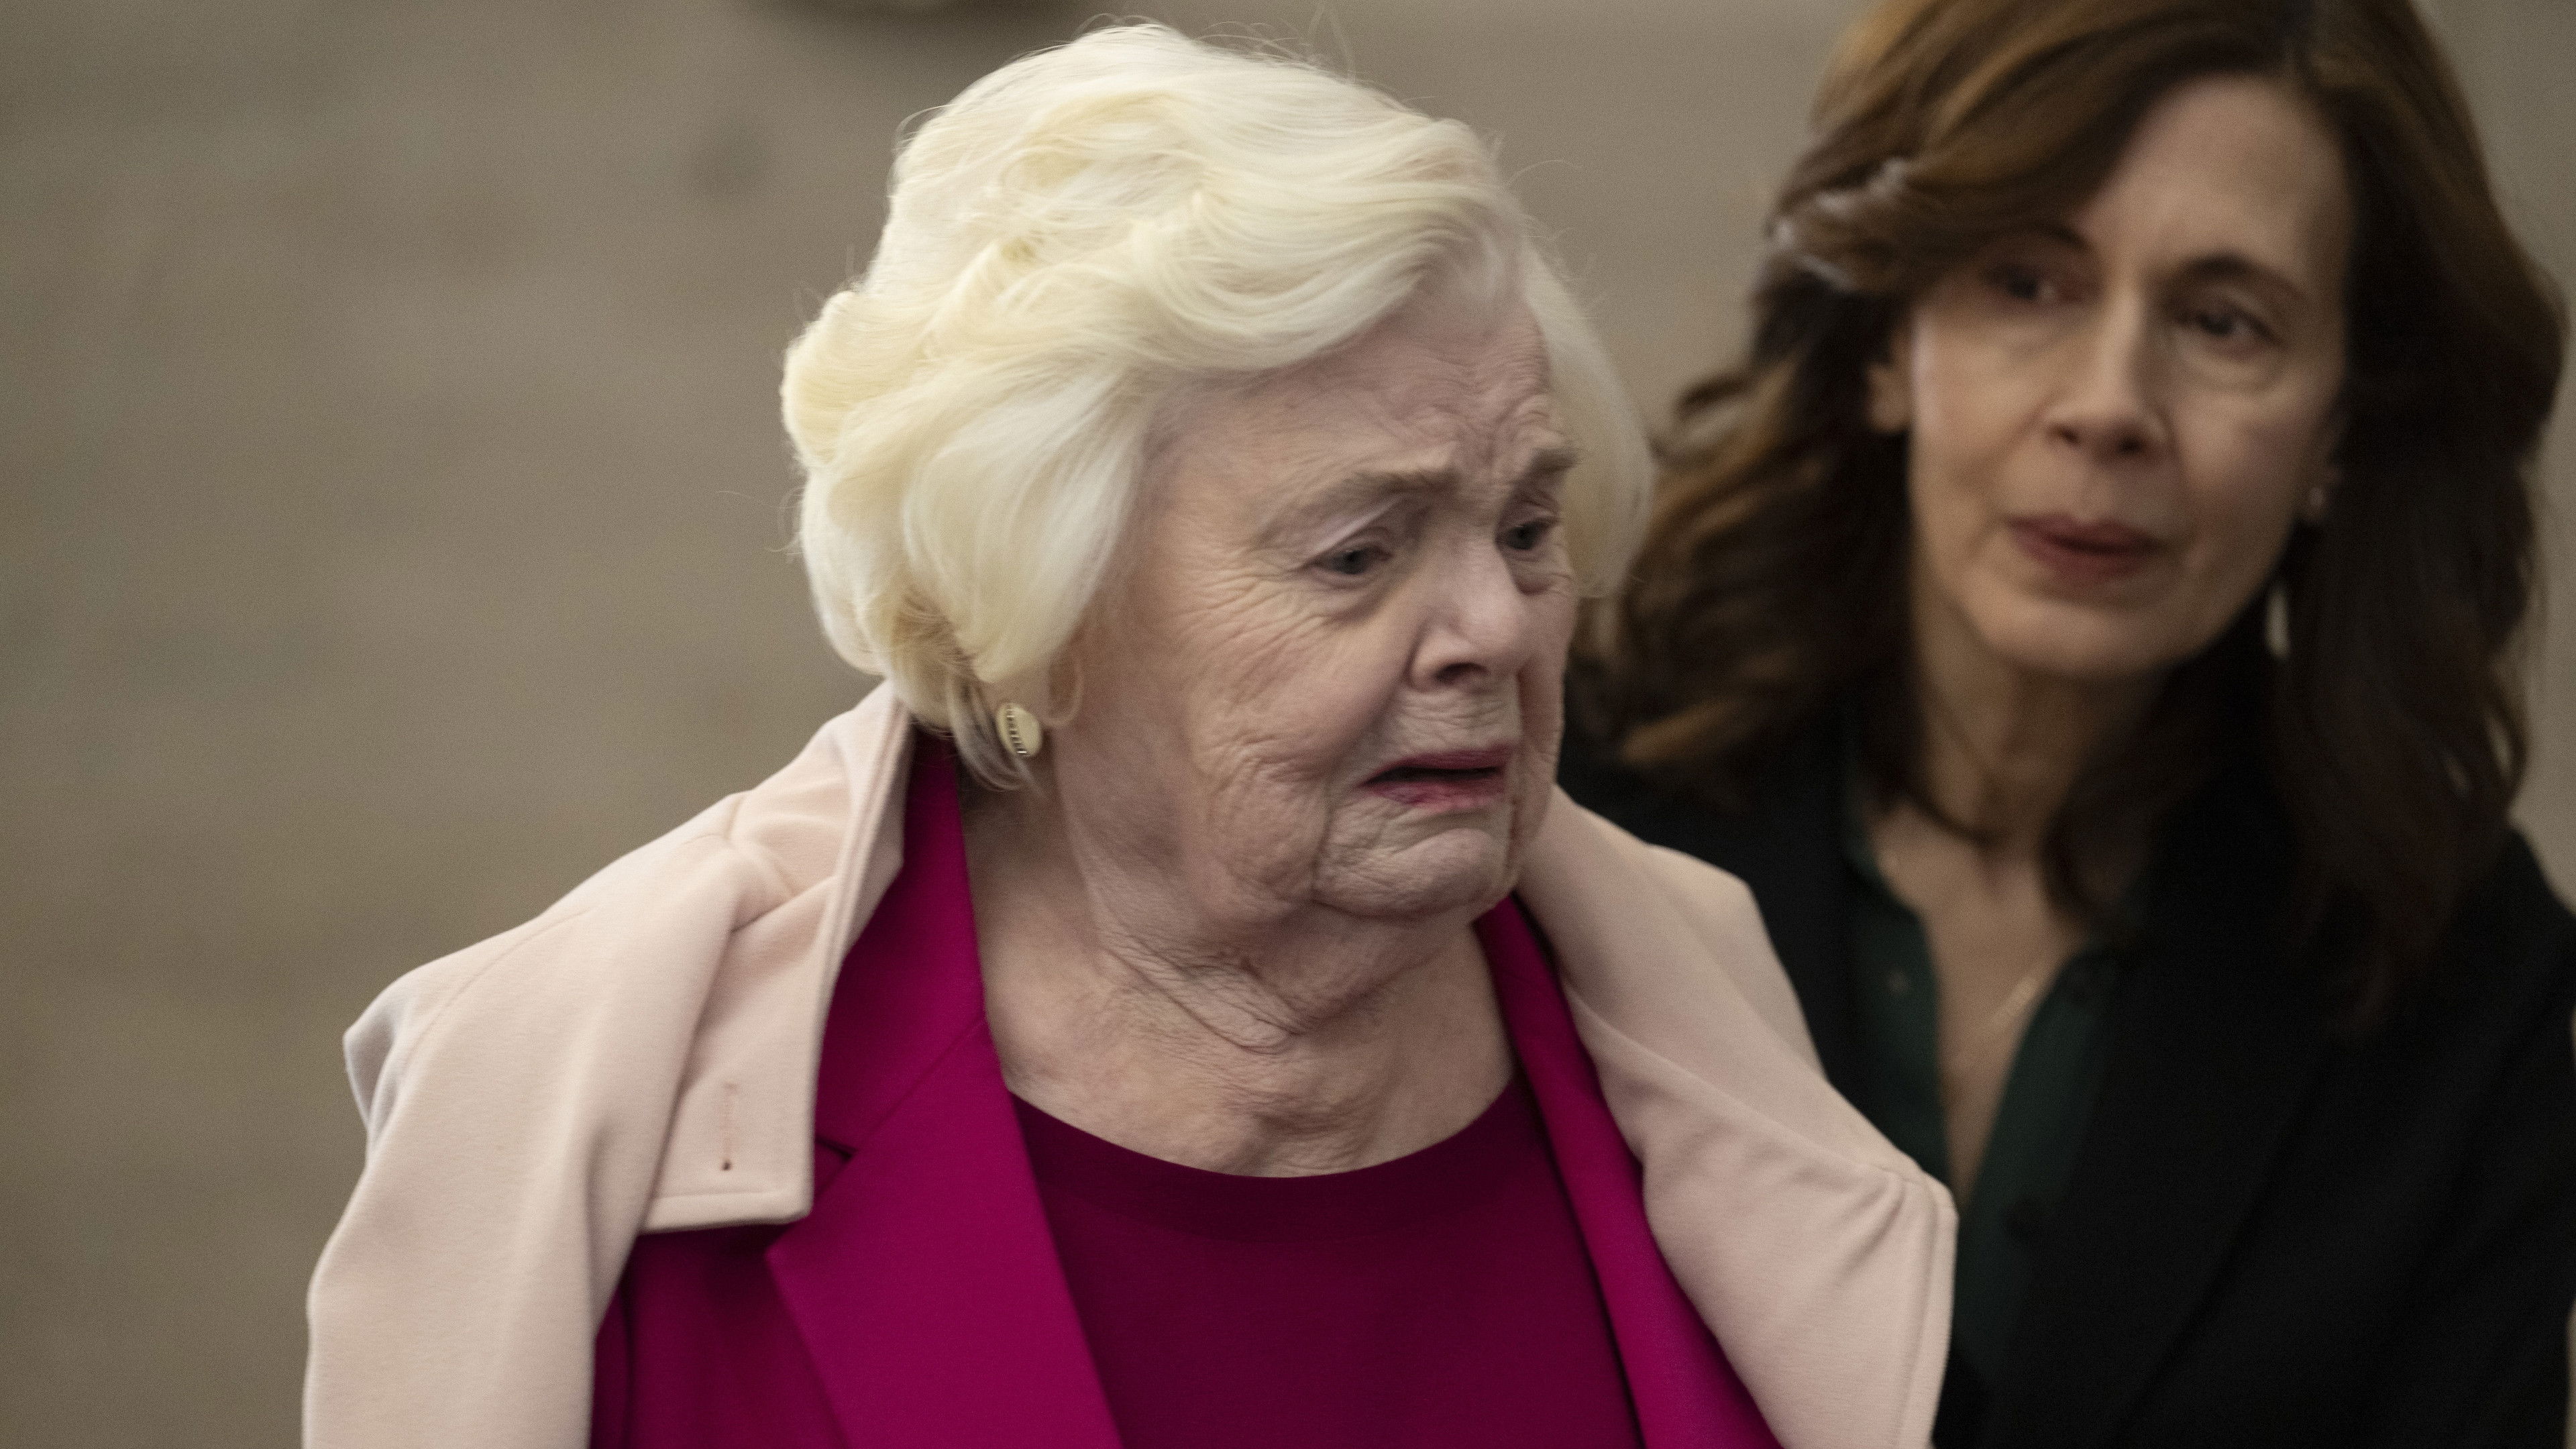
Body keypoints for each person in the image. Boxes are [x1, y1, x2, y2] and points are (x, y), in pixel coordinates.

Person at [303, 25, 1956, 1449]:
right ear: (1043, 607)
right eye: (1360, 553)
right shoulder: (595, 1101)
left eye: (1526, 529)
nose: (1498, 630)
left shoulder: (1693, 1007)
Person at [1564, 0, 2576, 1444]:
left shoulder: (2467, 989)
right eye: (2027, 283)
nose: (2109, 408)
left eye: (2224, 321)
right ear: (1887, 338)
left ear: (2343, 427)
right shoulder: (1565, 815)